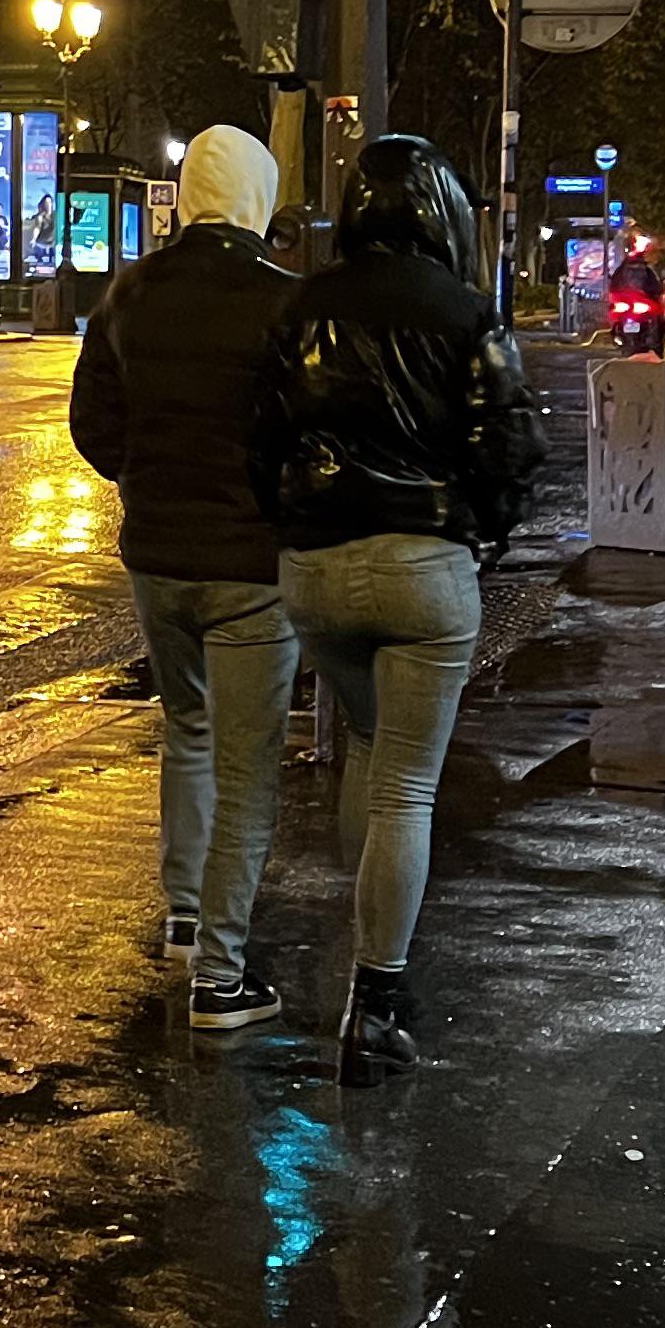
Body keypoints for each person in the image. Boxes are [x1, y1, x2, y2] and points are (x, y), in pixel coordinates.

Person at [253, 138, 546, 1084]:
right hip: (424, 566)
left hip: (316, 570)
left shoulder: (301, 305)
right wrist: (487, 529)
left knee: (369, 748)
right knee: (406, 787)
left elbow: (260, 442)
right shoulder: (464, 311)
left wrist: (294, 523)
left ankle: (363, 942)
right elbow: (509, 444)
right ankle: (379, 998)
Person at [69, 126, 299, 1033]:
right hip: (252, 563)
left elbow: (93, 423)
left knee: (188, 728)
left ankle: (183, 914)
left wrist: (145, 479)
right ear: (257, 197)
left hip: (157, 555)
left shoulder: (131, 292)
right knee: (249, 763)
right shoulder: (283, 300)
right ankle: (222, 974)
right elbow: (307, 431)